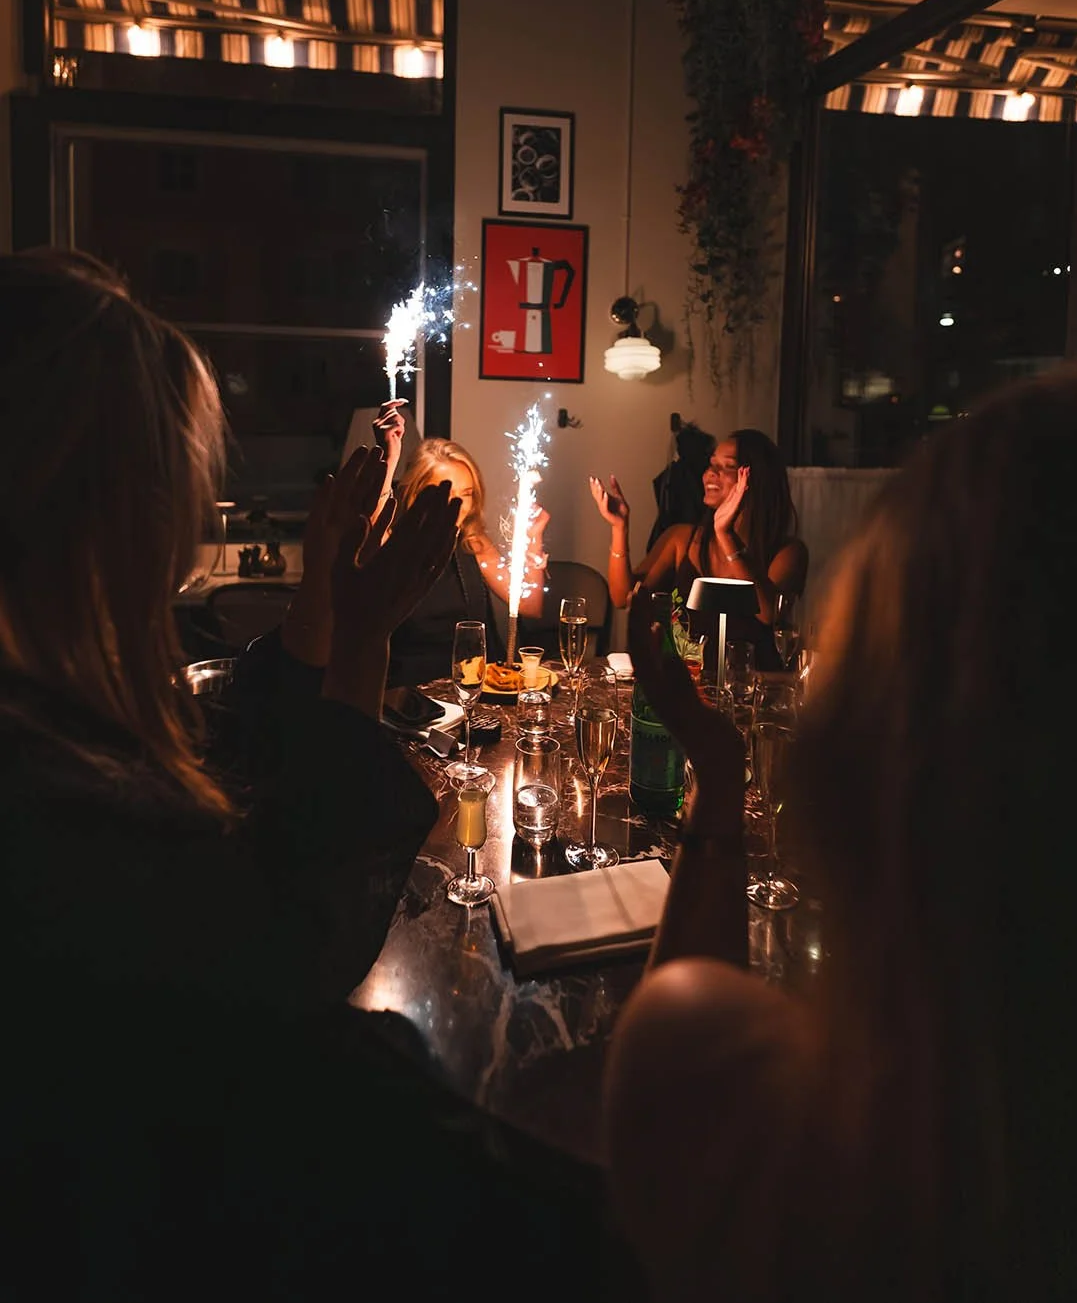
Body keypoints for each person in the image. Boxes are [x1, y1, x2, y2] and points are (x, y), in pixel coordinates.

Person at [0, 251, 633, 1300]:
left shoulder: (62, 715)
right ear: (90, 505)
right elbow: (293, 949)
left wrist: (322, 607)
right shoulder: (54, 806)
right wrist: (365, 638)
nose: (197, 531)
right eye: (178, 485)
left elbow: (229, 741)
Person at [601, 368, 1077, 1303]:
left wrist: (721, 775)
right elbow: (630, 593)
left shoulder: (766, 1115)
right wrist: (623, 535)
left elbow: (771, 623)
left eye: (731, 467)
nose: (713, 476)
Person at [590, 427, 807, 670]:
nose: (710, 473)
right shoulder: (682, 539)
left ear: (756, 480)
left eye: (727, 467)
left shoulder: (788, 552)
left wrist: (725, 536)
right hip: (688, 688)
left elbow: (769, 615)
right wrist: (620, 528)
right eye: (711, 464)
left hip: (751, 692)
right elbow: (624, 597)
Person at [373, 409, 550, 686]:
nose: (459, 505)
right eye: (447, 492)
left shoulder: (473, 542)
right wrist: (389, 459)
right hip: (413, 692)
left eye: (466, 494)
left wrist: (534, 537)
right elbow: (373, 527)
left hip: (479, 687)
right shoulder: (392, 543)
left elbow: (530, 605)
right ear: (415, 492)